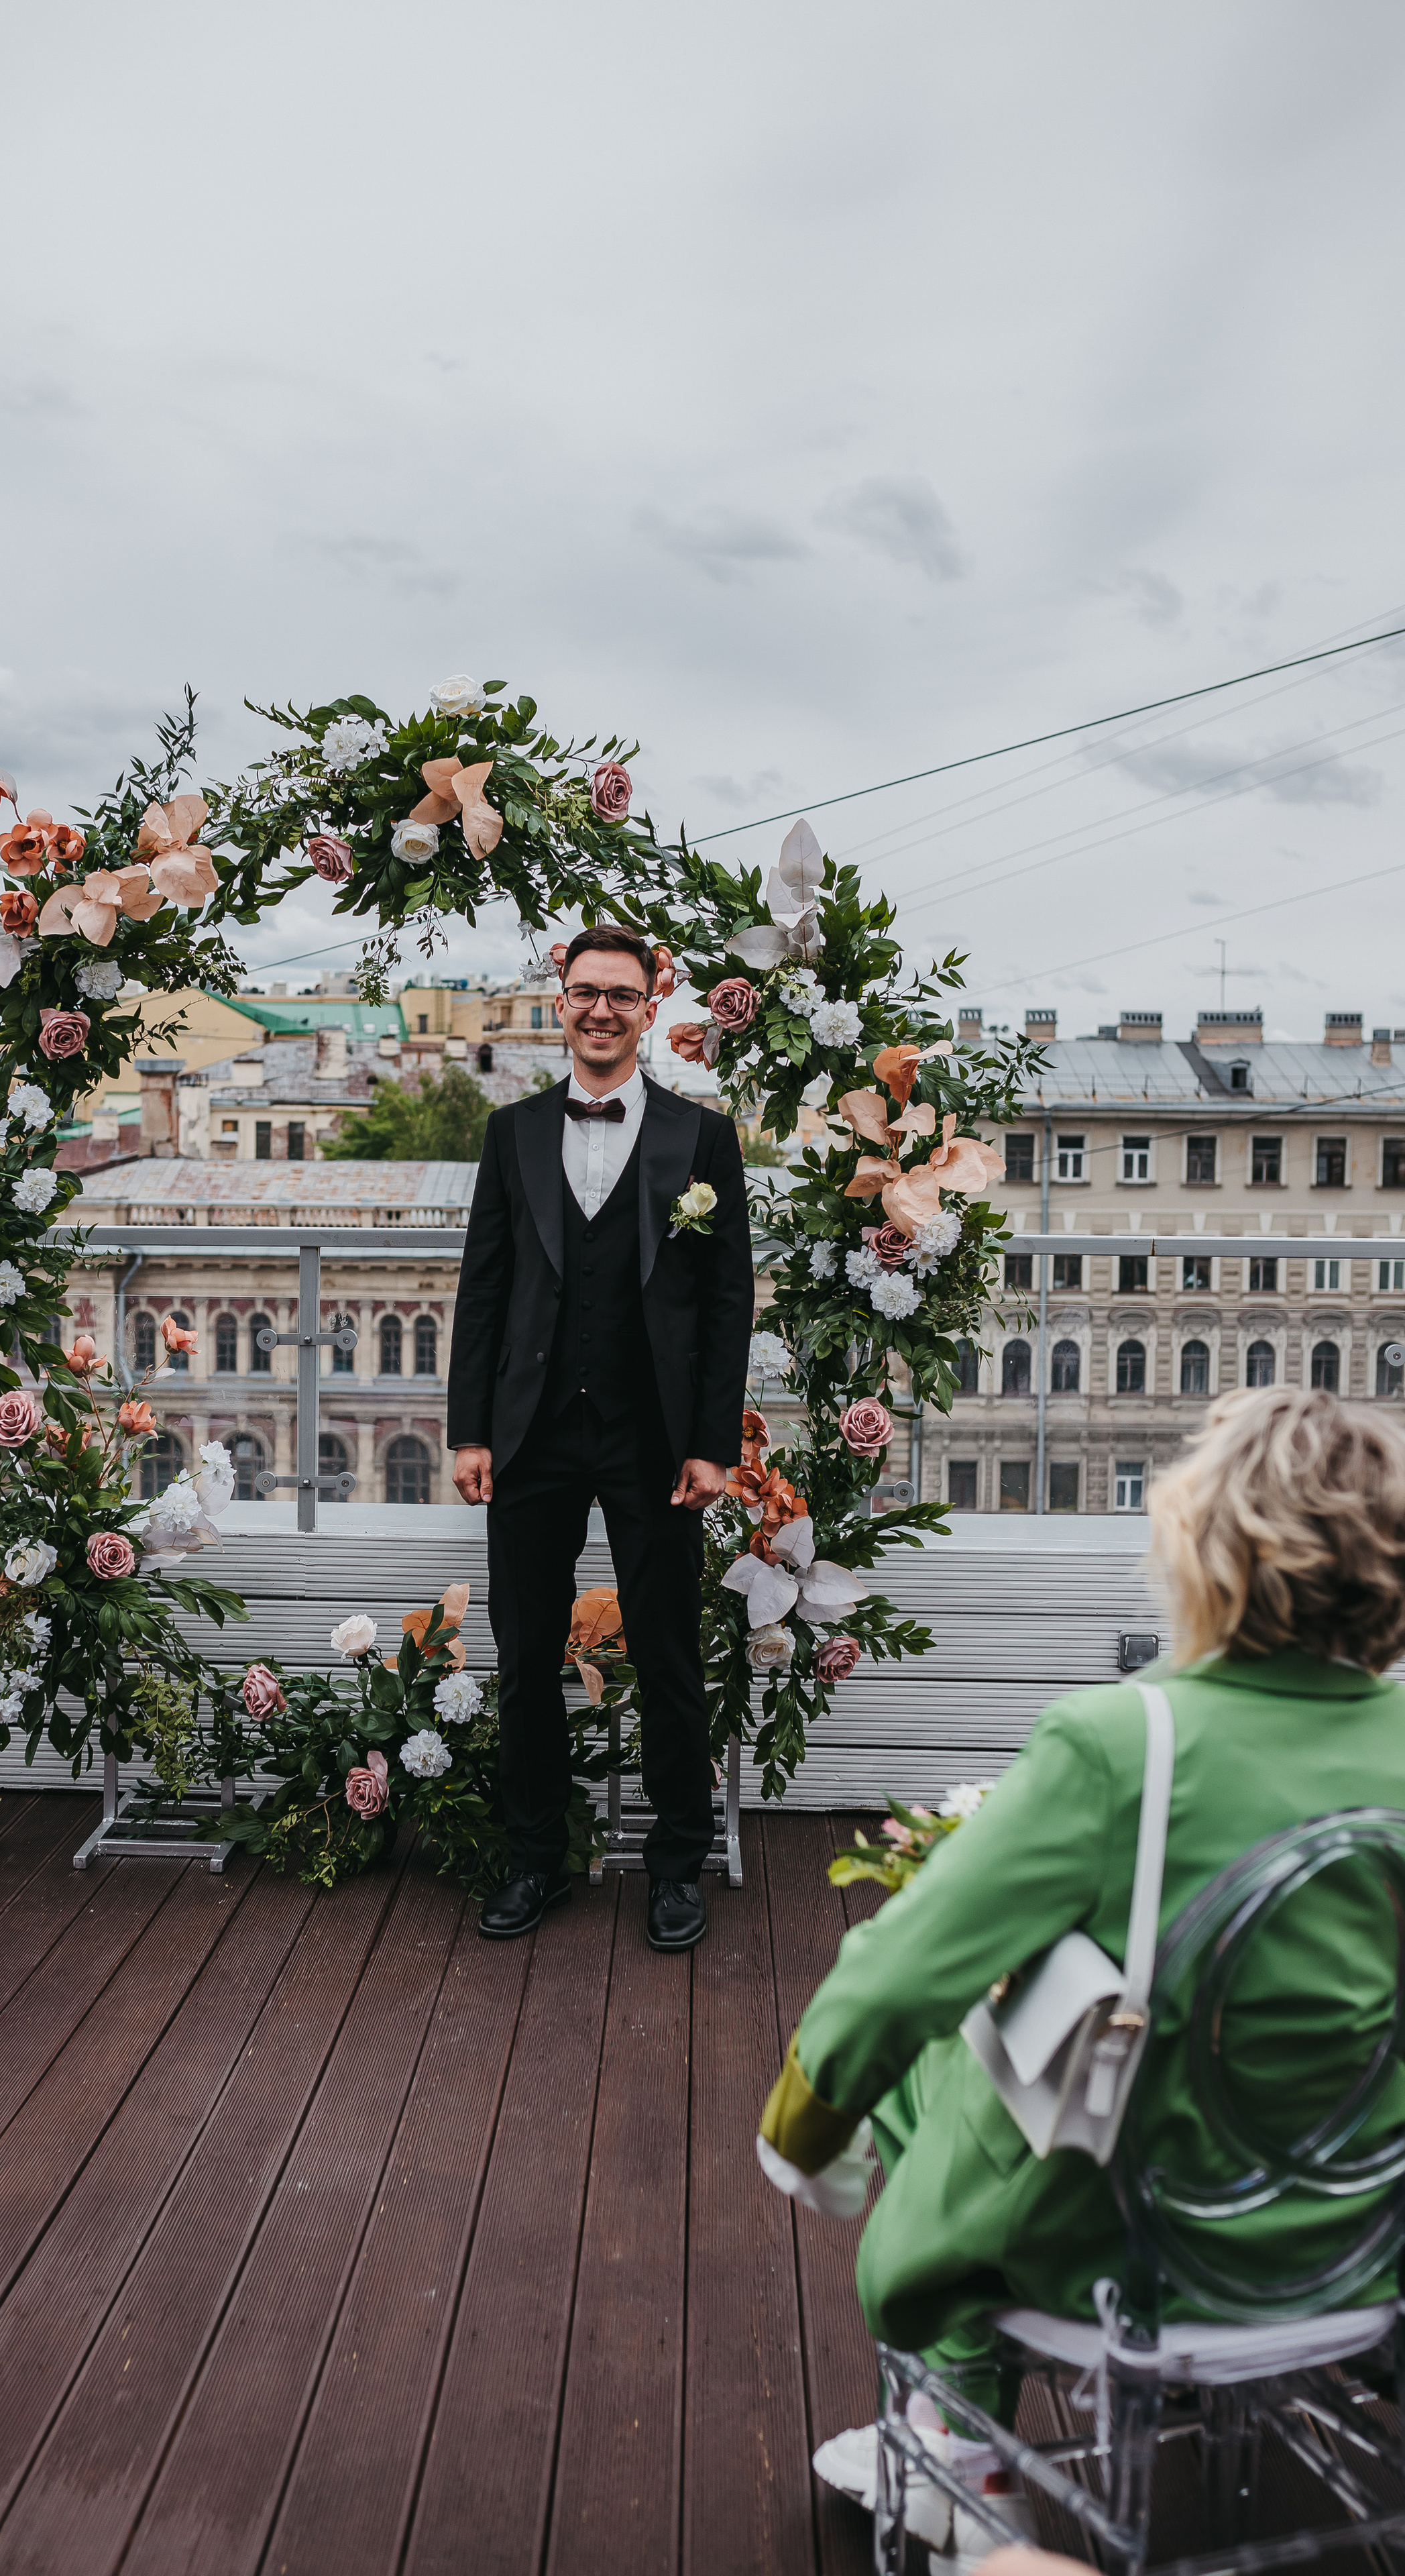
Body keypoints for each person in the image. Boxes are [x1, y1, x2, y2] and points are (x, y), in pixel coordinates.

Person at [758, 1387, 1405, 2565]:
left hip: (1128, 2261)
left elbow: (897, 1977)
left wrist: (800, 2132)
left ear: (1205, 1551)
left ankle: (960, 2438)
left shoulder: (1123, 1744)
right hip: (1361, 2245)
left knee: (946, 2057)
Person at [447, 924, 754, 1953]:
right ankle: (533, 1858)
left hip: (657, 1440)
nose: (601, 1011)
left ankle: (675, 1866)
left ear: (651, 1006)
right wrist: (469, 1431)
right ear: (562, 998)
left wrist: (714, 1443)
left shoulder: (702, 1139)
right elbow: (483, 1289)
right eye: (586, 992)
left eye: (622, 995)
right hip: (529, 1436)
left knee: (667, 1656)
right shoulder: (514, 1132)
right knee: (527, 1657)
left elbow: (726, 1303)